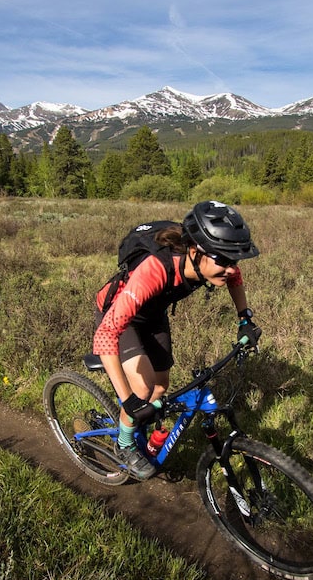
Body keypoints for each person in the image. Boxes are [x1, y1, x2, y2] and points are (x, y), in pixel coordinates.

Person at [93, 200, 261, 479]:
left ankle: (142, 431)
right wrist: (130, 402)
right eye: (223, 260)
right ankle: (124, 443)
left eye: (234, 260)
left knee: (161, 387)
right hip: (121, 317)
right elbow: (108, 333)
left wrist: (244, 319)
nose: (231, 268)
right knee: (142, 391)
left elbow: (235, 278)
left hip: (153, 314)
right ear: (195, 251)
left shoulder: (215, 263)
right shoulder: (155, 270)